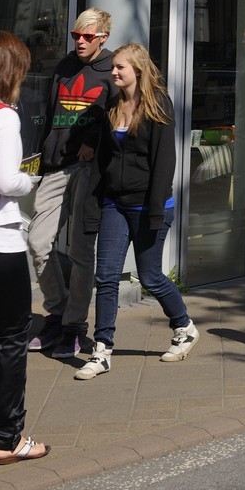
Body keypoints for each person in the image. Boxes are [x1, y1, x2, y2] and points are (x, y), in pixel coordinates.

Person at [74, 44, 198, 381]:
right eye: (113, 67)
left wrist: (156, 212)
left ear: (138, 70)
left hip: (149, 206)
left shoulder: (158, 104)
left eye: (120, 68)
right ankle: (102, 350)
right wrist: (93, 206)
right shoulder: (112, 105)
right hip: (115, 203)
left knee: (150, 276)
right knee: (107, 276)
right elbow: (103, 162)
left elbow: (163, 163)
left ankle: (184, 327)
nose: (114, 72)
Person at [27, 7, 119, 359]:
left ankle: (74, 326)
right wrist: (38, 157)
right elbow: (50, 116)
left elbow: (117, 118)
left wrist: (93, 141)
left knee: (81, 252)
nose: (80, 42)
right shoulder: (64, 67)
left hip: (87, 170)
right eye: (75, 35)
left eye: (88, 36)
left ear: (103, 37)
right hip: (55, 165)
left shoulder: (112, 71)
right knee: (38, 241)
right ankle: (57, 310)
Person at [0, 32, 49, 464]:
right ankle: (8, 439)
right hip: (2, 241)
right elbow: (7, 181)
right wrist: (30, 180)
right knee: (12, 339)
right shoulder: (5, 117)